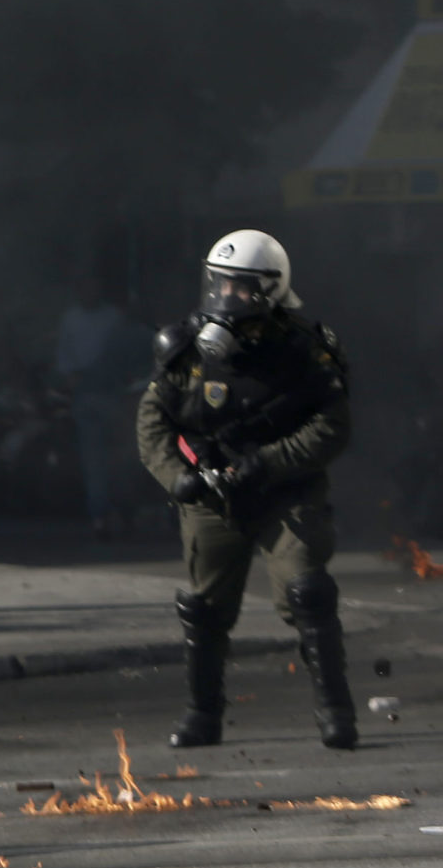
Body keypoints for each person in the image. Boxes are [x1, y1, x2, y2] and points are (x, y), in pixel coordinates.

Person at [136, 230, 355, 749]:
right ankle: (202, 714)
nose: (226, 296)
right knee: (204, 609)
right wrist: (179, 477)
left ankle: (336, 712)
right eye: (219, 283)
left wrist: (269, 463)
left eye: (241, 287)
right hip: (213, 495)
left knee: (307, 592)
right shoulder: (188, 349)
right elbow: (152, 421)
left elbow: (332, 426)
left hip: (286, 492)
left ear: (271, 290)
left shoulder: (304, 350)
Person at [54, 276, 142, 537]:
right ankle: (100, 516)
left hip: (113, 395)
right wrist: (73, 380)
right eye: (84, 288)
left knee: (122, 458)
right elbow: (64, 357)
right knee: (94, 460)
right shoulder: (71, 319)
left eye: (93, 287)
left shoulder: (113, 318)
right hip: (86, 396)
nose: (89, 292)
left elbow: (124, 355)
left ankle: (125, 512)